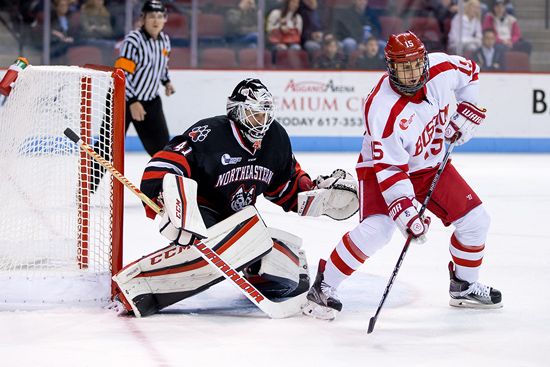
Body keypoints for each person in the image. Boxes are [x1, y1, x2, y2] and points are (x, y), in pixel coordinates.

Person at [109, 79, 359, 317]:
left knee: (291, 275)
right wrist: (170, 201)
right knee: (217, 250)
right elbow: (166, 162)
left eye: (265, 113)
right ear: (237, 112)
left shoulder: (276, 139)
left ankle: (253, 268)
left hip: (242, 222)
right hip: (203, 215)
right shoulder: (209, 133)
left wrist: (314, 193)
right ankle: (139, 288)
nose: (262, 120)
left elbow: (286, 185)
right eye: (255, 113)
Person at [302, 31, 502, 320]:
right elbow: (391, 169)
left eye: (415, 64)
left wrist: (467, 110)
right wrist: (406, 213)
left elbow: (471, 73)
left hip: (431, 165)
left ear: (424, 60)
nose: (411, 74)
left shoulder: (442, 68)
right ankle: (324, 285)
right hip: (383, 169)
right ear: (390, 67)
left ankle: (464, 285)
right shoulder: (382, 107)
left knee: (476, 221)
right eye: (403, 67)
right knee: (379, 230)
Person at [114, 0, 174, 156]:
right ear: (142, 19)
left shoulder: (165, 41)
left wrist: (166, 81)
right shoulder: (133, 40)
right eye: (152, 16)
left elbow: (161, 65)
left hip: (151, 101)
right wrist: (132, 101)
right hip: (124, 100)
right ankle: (90, 181)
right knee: (108, 149)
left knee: (163, 150)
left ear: (165, 19)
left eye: (160, 16)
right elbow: (121, 73)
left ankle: (161, 181)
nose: (156, 20)